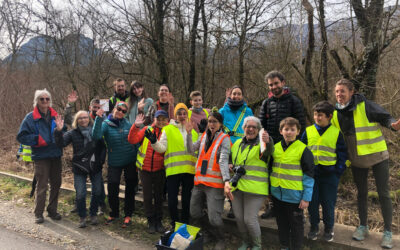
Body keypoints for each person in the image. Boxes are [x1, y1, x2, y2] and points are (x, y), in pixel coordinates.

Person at [332, 79, 400, 249]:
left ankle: (387, 232)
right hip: (356, 158)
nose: (339, 94)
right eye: (337, 92)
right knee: (361, 193)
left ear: (351, 92)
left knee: (383, 194)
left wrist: (393, 125)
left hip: (377, 155)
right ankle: (363, 226)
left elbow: (385, 117)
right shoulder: (335, 113)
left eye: (343, 91)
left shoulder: (366, 105)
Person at [258, 70, 306, 219]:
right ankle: (273, 207)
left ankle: (296, 211)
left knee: (292, 179)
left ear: (283, 83)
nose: (273, 87)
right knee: (271, 178)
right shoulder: (266, 103)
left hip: (290, 148)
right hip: (271, 148)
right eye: (270, 85)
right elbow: (261, 126)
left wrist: (296, 145)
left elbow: (301, 125)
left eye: (276, 83)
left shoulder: (294, 101)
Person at [301, 101, 347, 242]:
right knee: (312, 203)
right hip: (311, 175)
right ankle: (314, 227)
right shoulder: (308, 131)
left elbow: (342, 154)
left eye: (320, 115)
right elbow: (301, 151)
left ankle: (328, 228)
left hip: (329, 175)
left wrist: (338, 171)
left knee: (328, 203)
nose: (317, 118)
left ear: (329, 116)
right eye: (315, 114)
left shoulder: (336, 133)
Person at [226, 116, 273, 250]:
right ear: (243, 129)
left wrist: (268, 142)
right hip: (238, 187)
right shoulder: (236, 144)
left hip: (255, 189)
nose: (251, 129)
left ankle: (257, 245)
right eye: (248, 126)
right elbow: (230, 160)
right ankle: (245, 242)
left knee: (249, 220)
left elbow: (269, 151)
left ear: (258, 130)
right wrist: (230, 165)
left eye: (254, 127)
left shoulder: (262, 143)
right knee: (239, 219)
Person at [17, 89, 63, 224]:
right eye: (41, 99)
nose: (44, 101)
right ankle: (38, 213)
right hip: (40, 155)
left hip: (55, 154)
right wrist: (38, 140)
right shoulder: (30, 117)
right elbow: (21, 136)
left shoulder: (56, 115)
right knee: (41, 185)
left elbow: (63, 134)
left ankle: (52, 210)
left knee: (56, 184)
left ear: (50, 101)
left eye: (47, 99)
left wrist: (60, 131)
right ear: (37, 101)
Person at [149, 103, 199, 228]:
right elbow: (161, 148)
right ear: (175, 115)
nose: (182, 116)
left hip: (189, 170)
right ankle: (175, 224)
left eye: (184, 114)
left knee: (187, 200)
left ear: (187, 115)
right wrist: (154, 141)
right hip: (173, 170)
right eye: (179, 113)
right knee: (172, 200)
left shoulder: (193, 131)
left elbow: (197, 150)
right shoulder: (168, 129)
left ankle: (185, 224)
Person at [54, 111, 106, 228]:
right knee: (80, 193)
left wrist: (101, 161)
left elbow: (103, 147)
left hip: (95, 166)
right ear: (76, 121)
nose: (83, 120)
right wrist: (58, 131)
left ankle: (93, 214)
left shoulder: (96, 130)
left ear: (89, 119)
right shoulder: (73, 133)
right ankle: (82, 216)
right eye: (80, 118)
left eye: (85, 117)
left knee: (97, 191)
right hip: (79, 167)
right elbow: (60, 143)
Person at [187, 110, 230, 250]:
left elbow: (223, 161)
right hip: (199, 182)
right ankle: (208, 233)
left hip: (215, 184)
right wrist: (188, 134)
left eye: (215, 122)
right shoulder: (204, 135)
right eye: (210, 121)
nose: (212, 124)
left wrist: (226, 181)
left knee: (214, 218)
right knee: (194, 212)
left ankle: (221, 238)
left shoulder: (224, 139)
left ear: (220, 124)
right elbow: (191, 149)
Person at [270, 117, 314, 250]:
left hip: (295, 197)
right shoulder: (275, 148)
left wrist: (306, 198)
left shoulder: (303, 150)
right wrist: (269, 192)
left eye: (292, 129)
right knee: (281, 223)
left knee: (296, 226)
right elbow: (270, 170)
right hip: (277, 195)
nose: (289, 132)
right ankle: (284, 246)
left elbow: (309, 175)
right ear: (281, 131)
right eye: (286, 129)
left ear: (298, 131)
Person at [92, 101, 138, 228]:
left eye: (124, 111)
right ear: (114, 109)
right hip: (114, 161)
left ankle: (128, 214)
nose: (121, 112)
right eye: (119, 109)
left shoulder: (128, 124)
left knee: (130, 188)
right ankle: (114, 213)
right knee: (112, 188)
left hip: (130, 160)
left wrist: (138, 158)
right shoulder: (106, 124)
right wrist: (98, 119)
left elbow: (135, 140)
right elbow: (96, 136)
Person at [63, 92, 108, 215]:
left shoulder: (105, 120)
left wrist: (102, 159)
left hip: (96, 161)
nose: (97, 109)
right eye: (95, 107)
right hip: (81, 162)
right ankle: (80, 207)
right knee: (80, 189)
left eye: (99, 108)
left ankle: (100, 205)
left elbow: (103, 143)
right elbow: (68, 119)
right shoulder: (82, 117)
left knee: (98, 187)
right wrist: (70, 104)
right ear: (90, 108)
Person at [127, 110, 169, 233]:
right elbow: (132, 139)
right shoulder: (147, 129)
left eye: (163, 119)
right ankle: (150, 220)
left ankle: (158, 220)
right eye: (158, 119)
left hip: (160, 170)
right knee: (147, 196)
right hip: (145, 170)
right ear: (154, 119)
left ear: (167, 120)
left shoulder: (169, 131)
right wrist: (135, 126)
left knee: (159, 196)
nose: (160, 121)